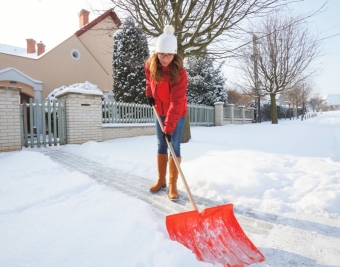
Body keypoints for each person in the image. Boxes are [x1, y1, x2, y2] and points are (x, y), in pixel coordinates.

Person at [145, 25, 188, 201]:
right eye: (162, 54)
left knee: (174, 146)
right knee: (161, 145)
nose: (165, 58)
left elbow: (177, 102)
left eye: (169, 54)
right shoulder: (150, 65)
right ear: (157, 52)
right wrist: (149, 94)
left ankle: (172, 184)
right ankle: (161, 180)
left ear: (174, 54)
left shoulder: (180, 73)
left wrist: (169, 128)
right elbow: (149, 81)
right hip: (159, 110)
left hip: (176, 113)